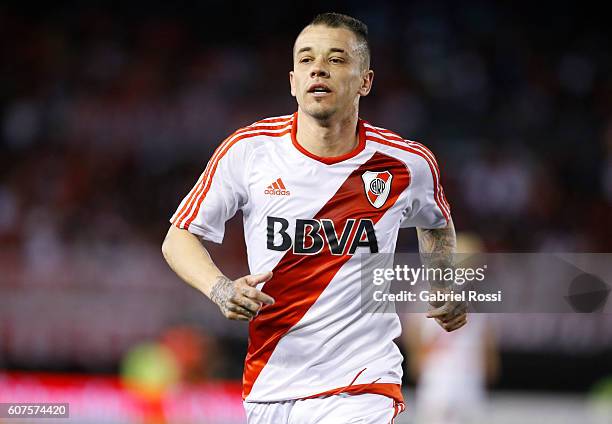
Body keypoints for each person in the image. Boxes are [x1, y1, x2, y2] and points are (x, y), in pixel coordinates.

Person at [162, 12, 466, 424]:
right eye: (306, 60)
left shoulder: (405, 163)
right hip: (272, 382)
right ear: (292, 81)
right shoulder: (250, 151)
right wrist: (219, 289)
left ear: (365, 81)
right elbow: (178, 237)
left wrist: (444, 283)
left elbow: (435, 221)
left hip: (363, 382)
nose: (318, 68)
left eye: (336, 59)